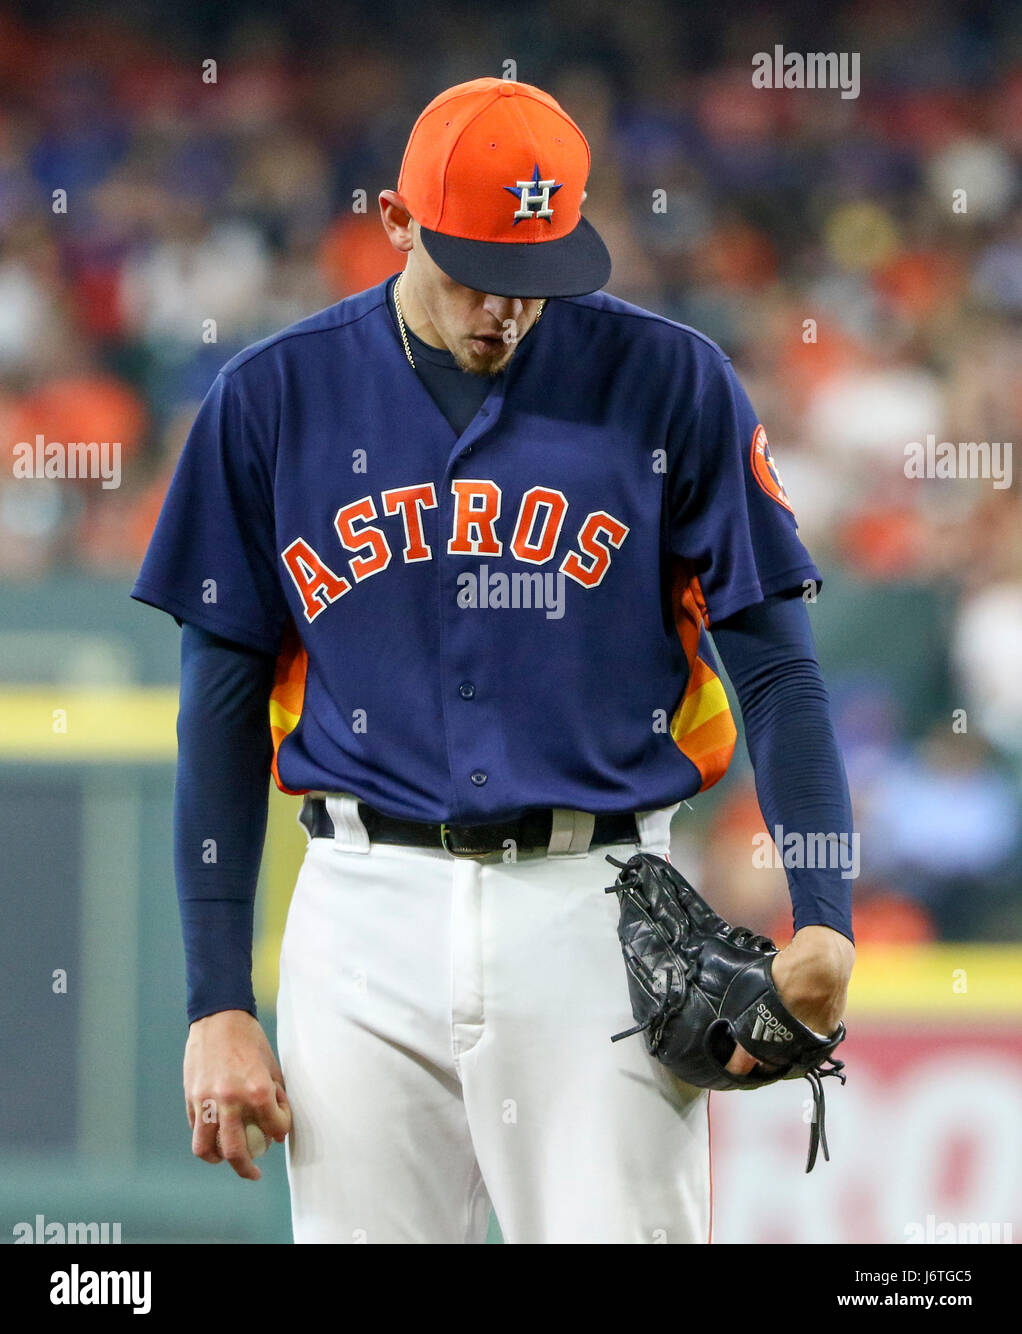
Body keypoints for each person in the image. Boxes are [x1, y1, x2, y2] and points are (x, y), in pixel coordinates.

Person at [132, 76, 854, 1244]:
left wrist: (823, 913)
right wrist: (216, 998)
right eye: (474, 269)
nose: (505, 309)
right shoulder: (270, 400)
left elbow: (774, 668)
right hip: (361, 914)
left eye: (535, 274)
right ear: (395, 221)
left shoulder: (670, 381)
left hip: (596, 910)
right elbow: (215, 714)